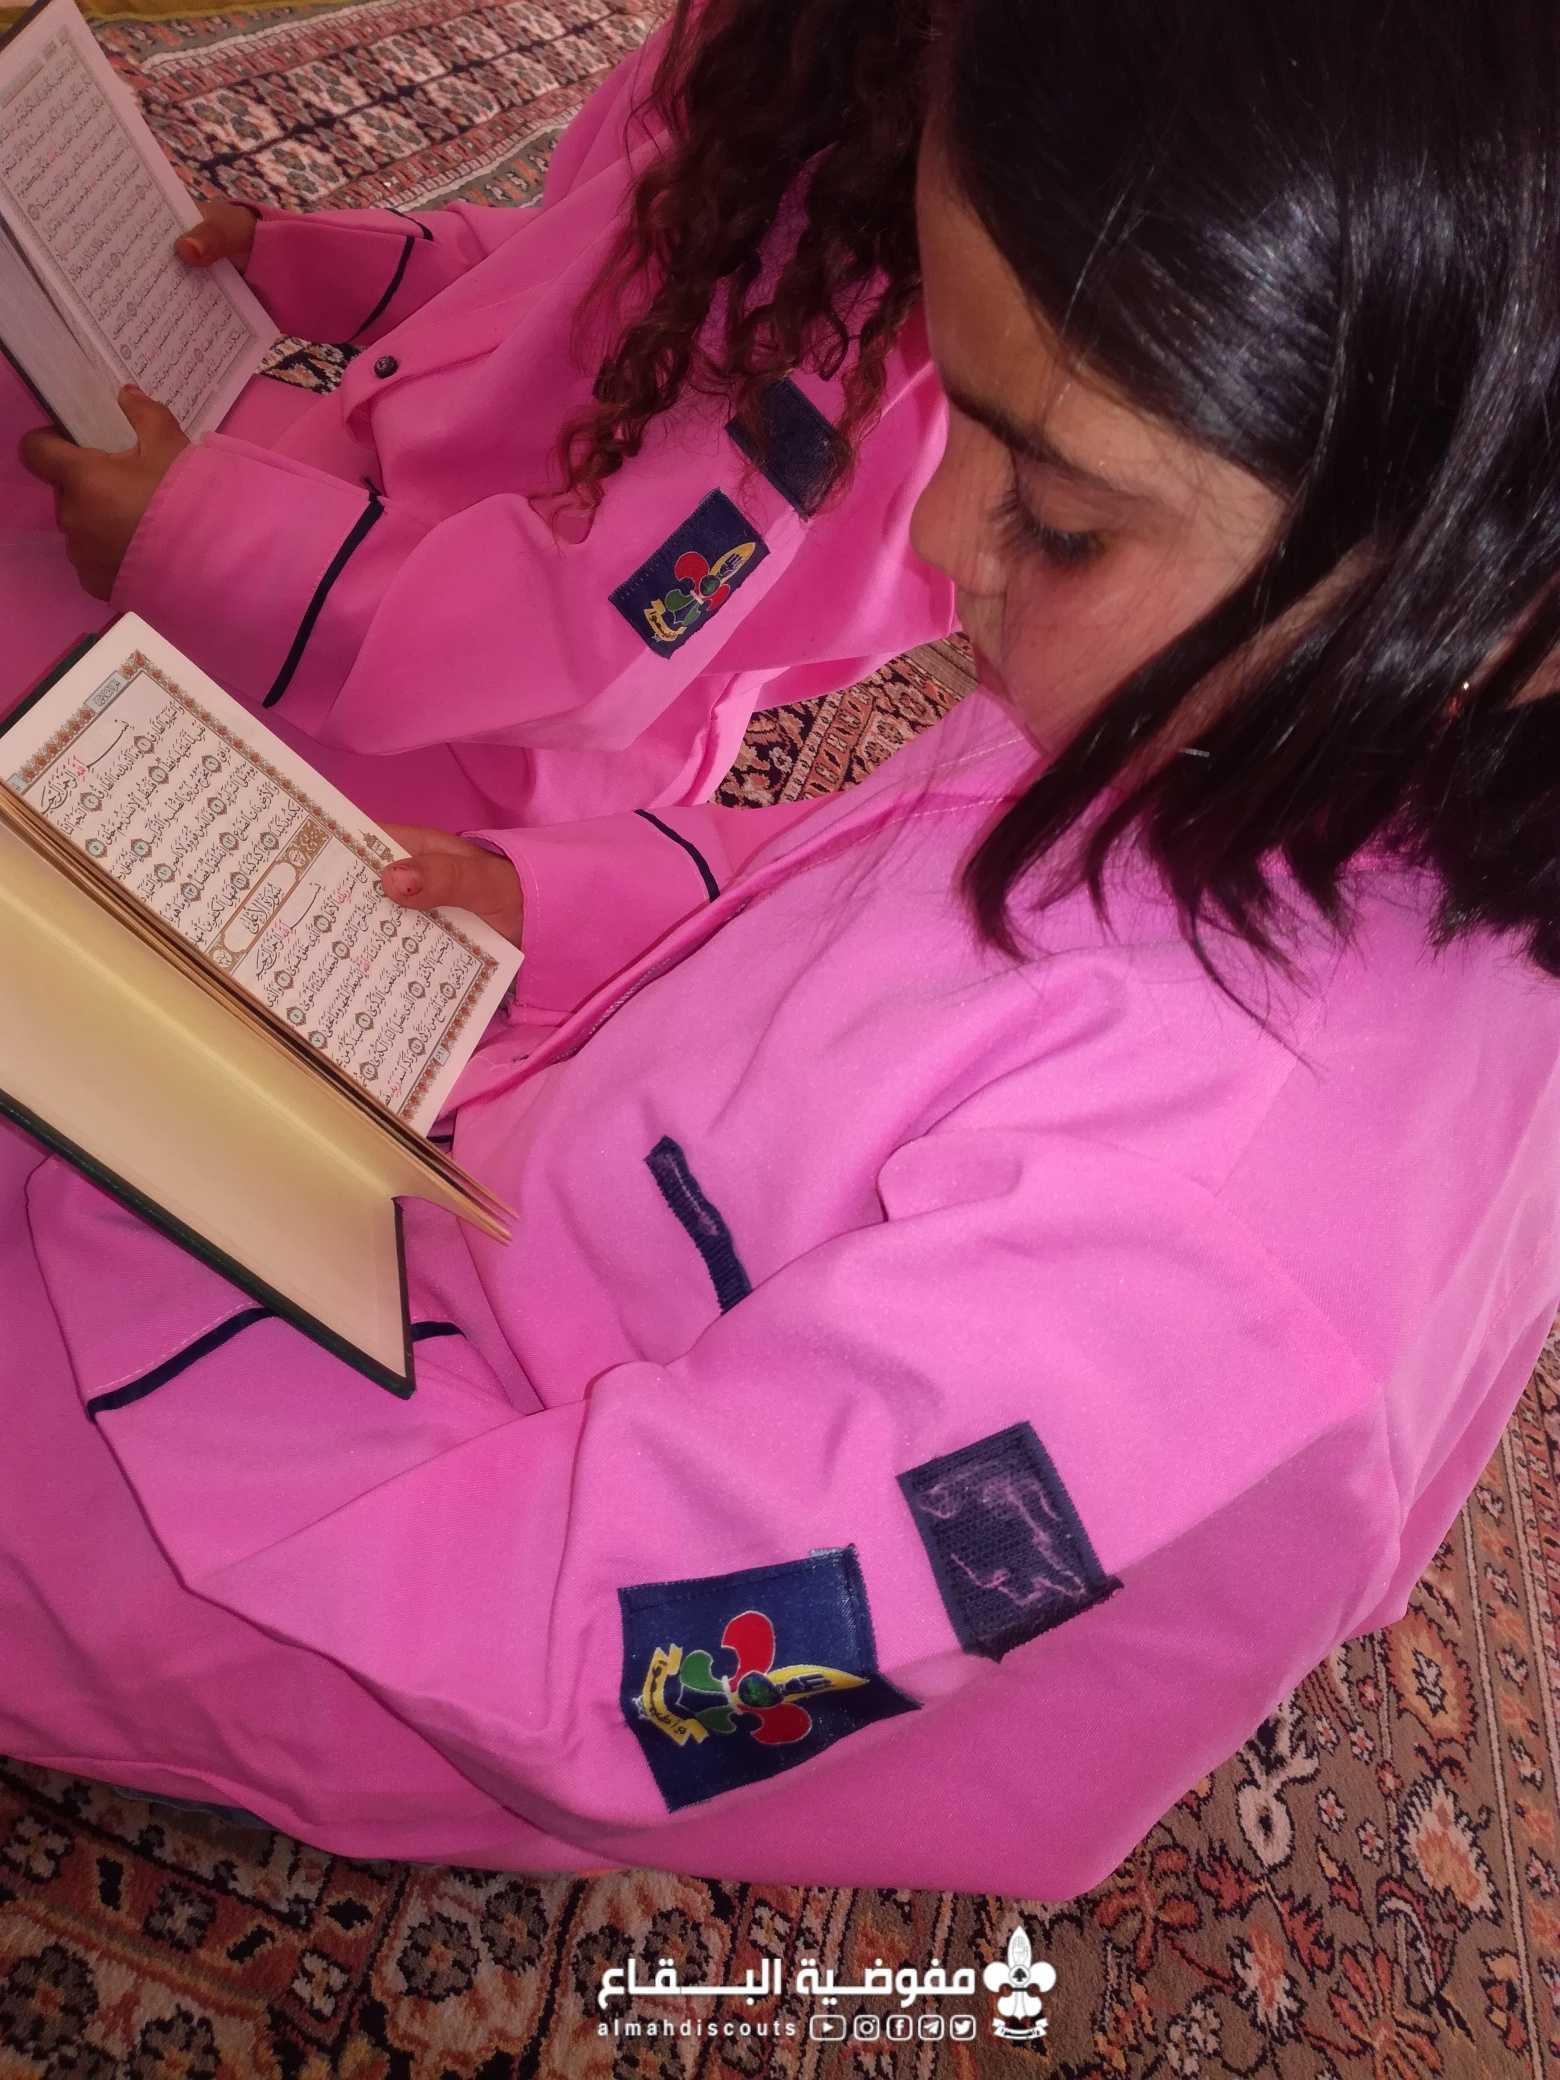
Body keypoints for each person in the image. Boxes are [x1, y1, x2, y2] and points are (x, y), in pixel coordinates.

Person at [4, 0, 1560, 1899]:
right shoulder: (1256, 709)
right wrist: (549, 900)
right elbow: (872, 867)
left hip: (427, 1575)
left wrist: (173, 1261)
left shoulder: (1197, 1254)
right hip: (502, 1247)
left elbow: (626, 1678)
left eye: (1061, 519)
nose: (946, 533)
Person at [3, 0, 952, 831]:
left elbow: (584, 644)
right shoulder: (762, 44)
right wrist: (300, 259)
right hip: (395, 534)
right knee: (39, 414)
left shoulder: (867, 308)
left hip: (489, 724)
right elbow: (573, 259)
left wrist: (194, 542)